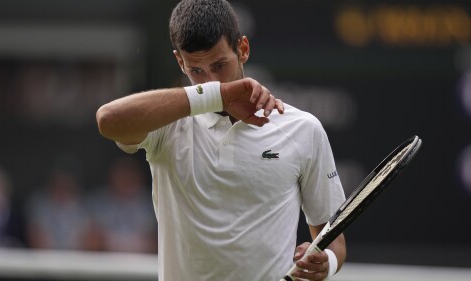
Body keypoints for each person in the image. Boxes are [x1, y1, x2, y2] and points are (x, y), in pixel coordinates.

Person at [96, 0, 346, 280]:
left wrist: (329, 261)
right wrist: (220, 96)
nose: (211, 79)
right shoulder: (167, 124)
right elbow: (108, 120)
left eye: (219, 65)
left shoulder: (304, 128)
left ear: (243, 49)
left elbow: (332, 237)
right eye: (196, 70)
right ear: (180, 61)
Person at [86, 156, 157, 253]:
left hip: (141, 262)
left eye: (130, 176)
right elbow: (91, 242)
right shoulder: (98, 202)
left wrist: (113, 242)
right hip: (106, 262)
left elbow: (157, 242)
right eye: (122, 176)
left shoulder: (151, 202)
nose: (125, 181)